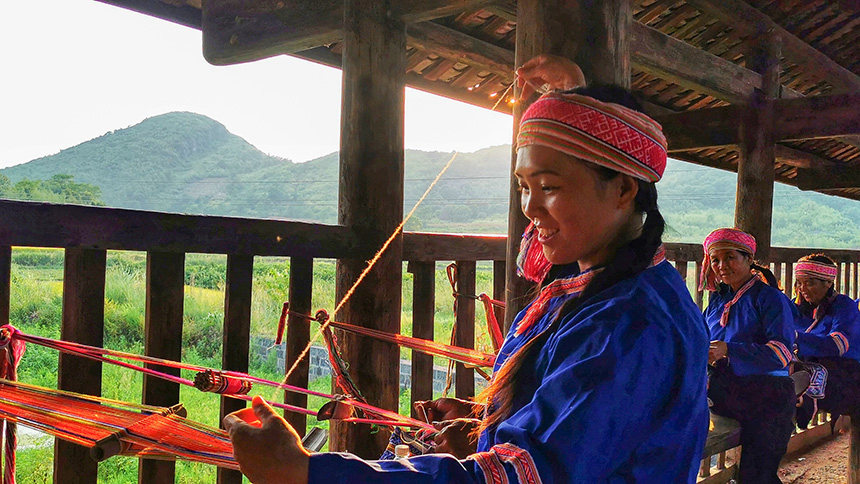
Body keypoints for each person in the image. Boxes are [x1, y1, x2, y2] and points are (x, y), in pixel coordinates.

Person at [223, 58, 710, 484]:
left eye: (549, 186)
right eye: (523, 186)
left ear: (623, 190)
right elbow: (585, 430)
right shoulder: (616, 290)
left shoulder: (630, 325)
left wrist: (307, 473)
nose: (530, 208)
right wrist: (487, 422)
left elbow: (531, 474)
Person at [701, 228, 796, 484]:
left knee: (757, 476)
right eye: (716, 259)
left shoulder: (771, 299)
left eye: (730, 257)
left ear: (748, 259)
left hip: (767, 395)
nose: (721, 266)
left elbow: (782, 352)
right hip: (726, 390)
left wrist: (729, 349)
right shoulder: (717, 300)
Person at [792, 254, 860, 428]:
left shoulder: (844, 306)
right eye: (799, 282)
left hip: (846, 372)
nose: (802, 288)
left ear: (828, 282)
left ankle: (805, 397)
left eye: (810, 283)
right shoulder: (797, 307)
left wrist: (796, 338)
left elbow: (837, 345)